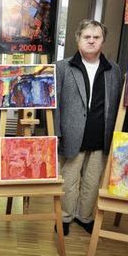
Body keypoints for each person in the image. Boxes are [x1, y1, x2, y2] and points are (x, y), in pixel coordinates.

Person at [53, 19, 123, 236]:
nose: (91, 41)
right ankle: (64, 217)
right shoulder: (62, 67)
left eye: (96, 37)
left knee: (92, 183)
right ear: (78, 39)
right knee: (68, 181)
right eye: (87, 37)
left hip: (100, 136)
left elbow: (118, 104)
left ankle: (84, 216)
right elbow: (54, 106)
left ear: (103, 41)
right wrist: (56, 134)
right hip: (71, 136)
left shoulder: (113, 69)